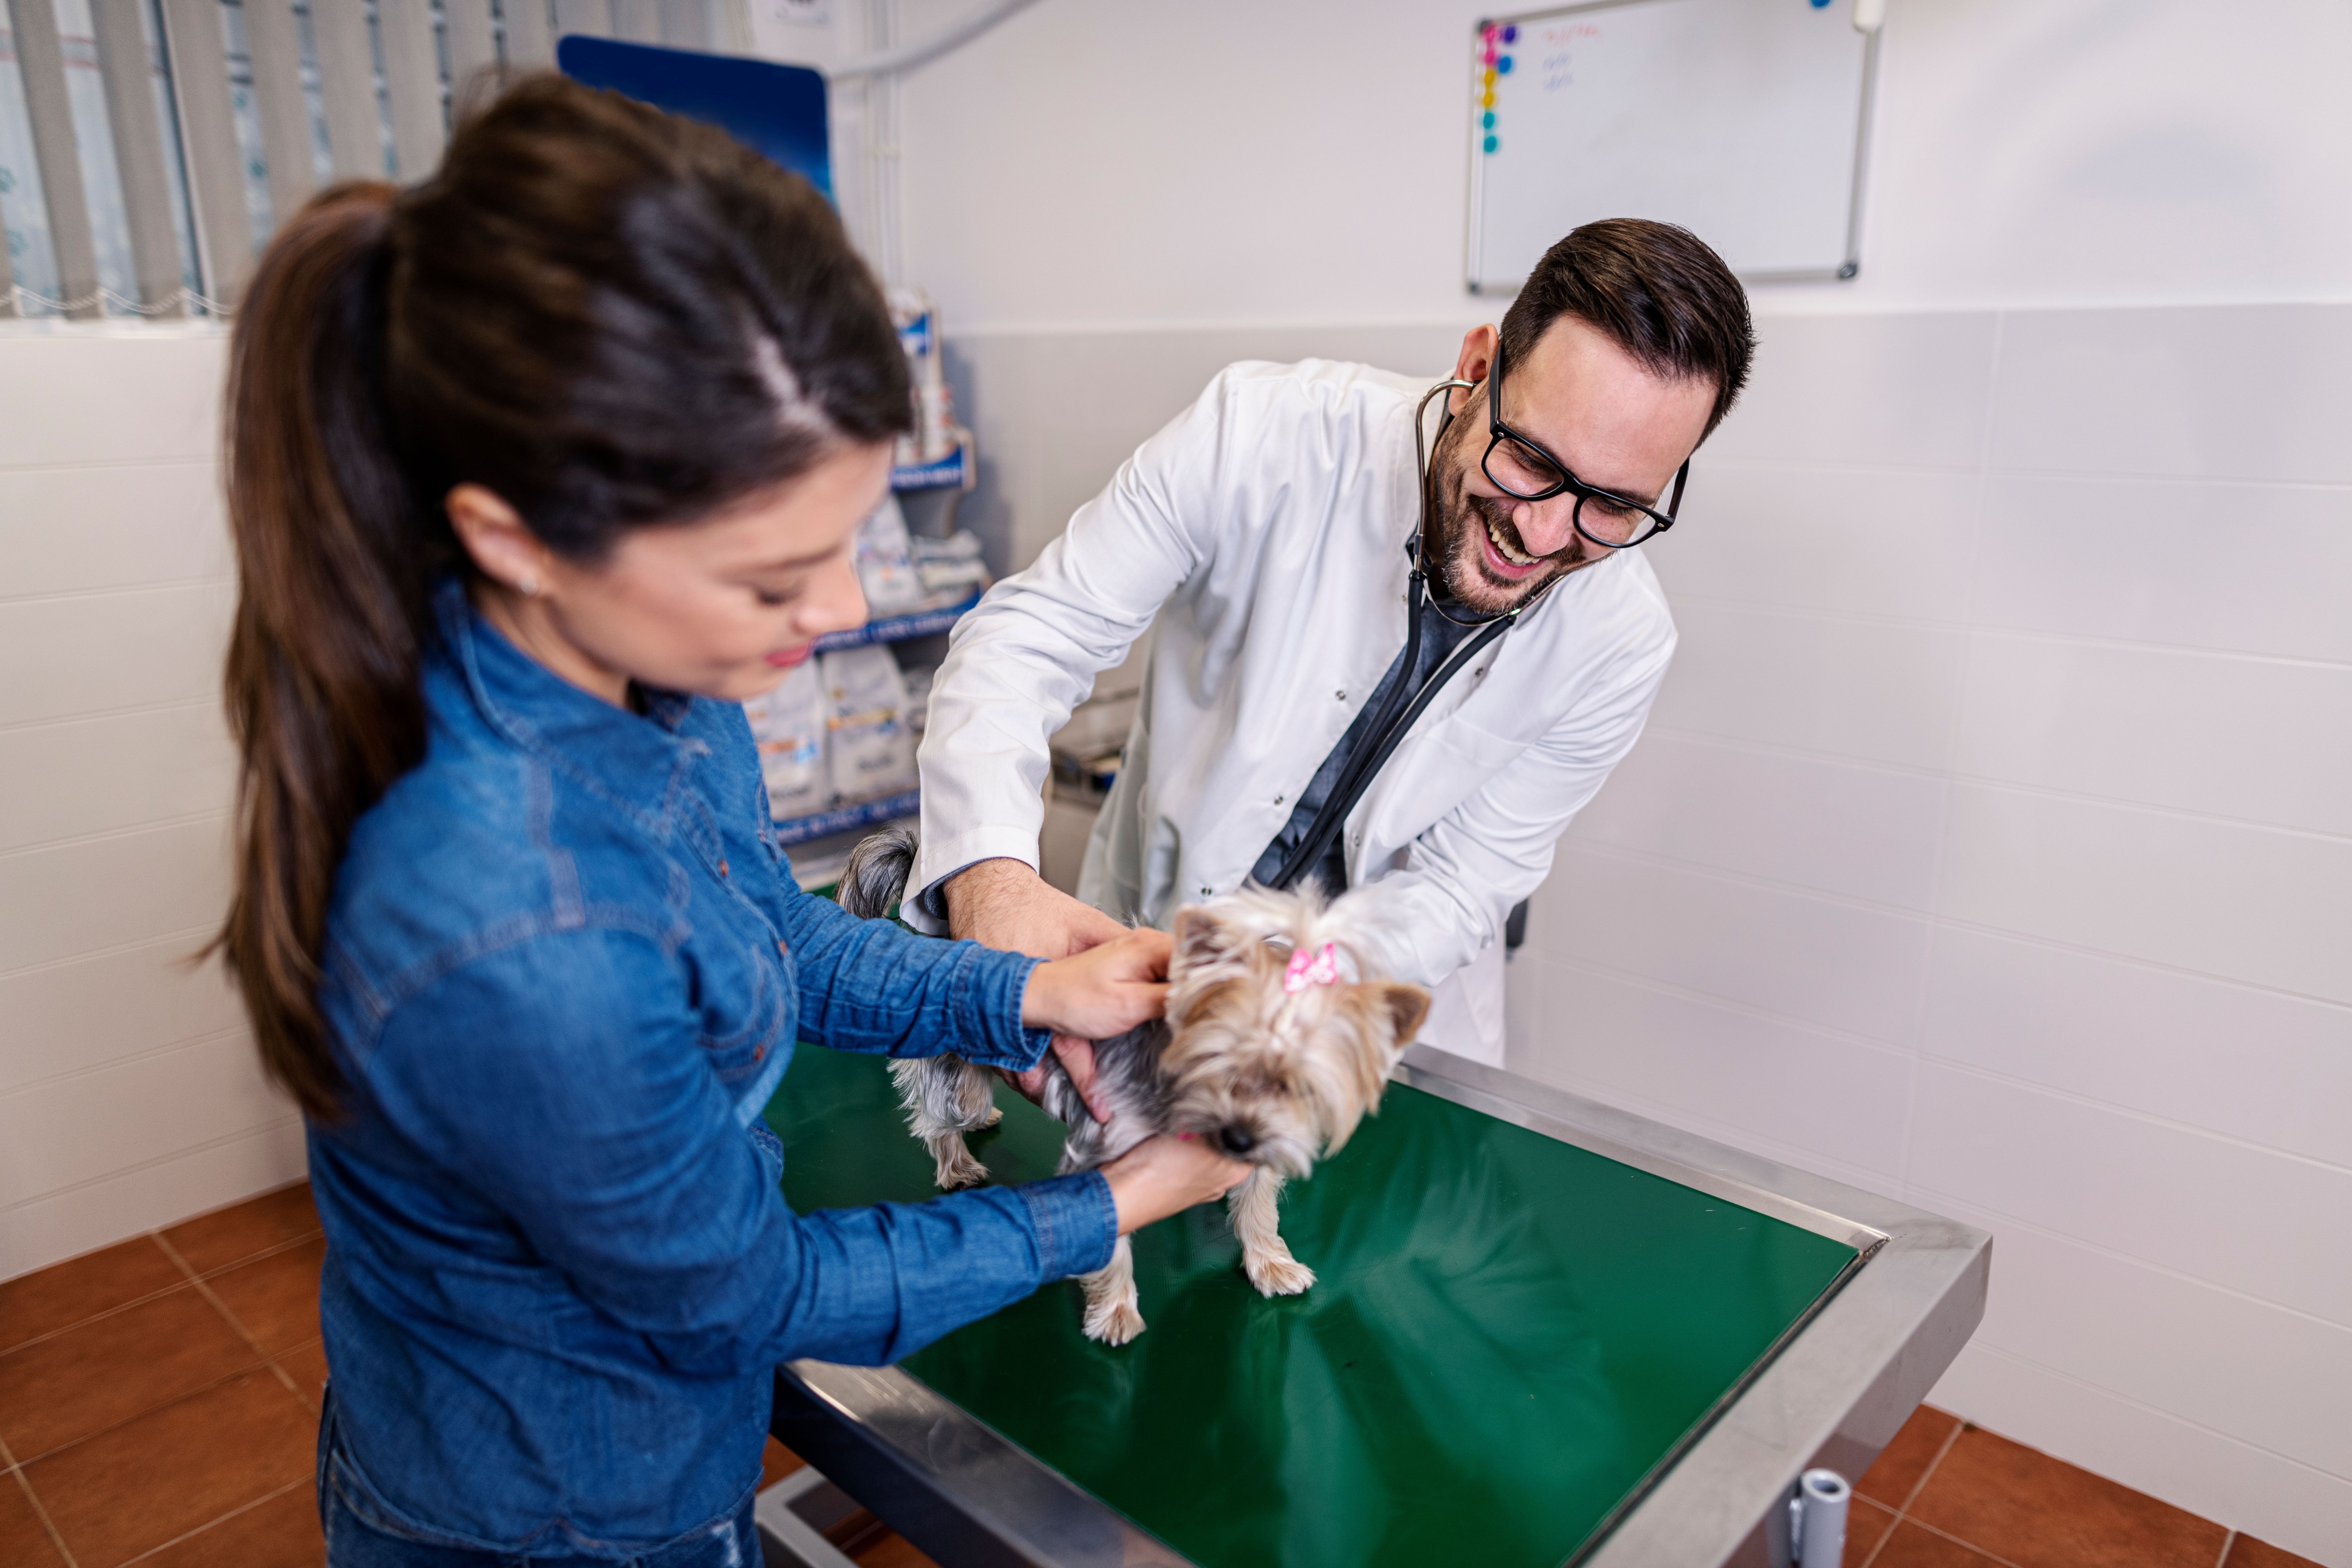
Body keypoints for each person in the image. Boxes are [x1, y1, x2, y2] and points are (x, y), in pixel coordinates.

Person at [211, 78, 1245, 1567]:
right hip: (561, 1514)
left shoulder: (647, 680)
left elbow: (771, 934)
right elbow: (743, 1296)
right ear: (517, 532)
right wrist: (1126, 1198)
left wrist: (1018, 988)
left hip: (653, 1449)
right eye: (774, 579)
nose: (834, 616)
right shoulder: (518, 915)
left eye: (844, 547)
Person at [905, 220, 1755, 1067]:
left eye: (1612, 506)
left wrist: (1301, 981)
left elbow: (1462, 886)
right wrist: (990, 878)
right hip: (1148, 970)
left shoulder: (1621, 639)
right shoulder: (1263, 435)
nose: (1541, 532)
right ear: (1475, 372)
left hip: (1369, 1051)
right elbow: (1030, 634)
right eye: (1530, 456)